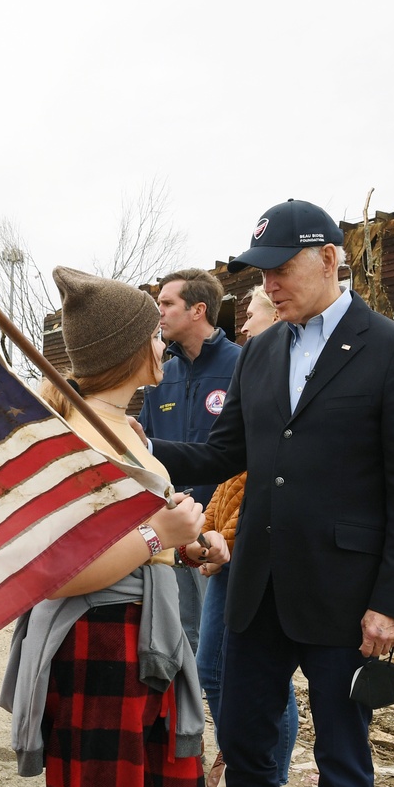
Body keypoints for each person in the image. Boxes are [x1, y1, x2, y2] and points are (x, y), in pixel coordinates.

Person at [149, 200, 394, 787]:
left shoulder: (392, 352)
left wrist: (393, 599)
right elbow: (222, 451)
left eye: (282, 267)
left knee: (344, 763)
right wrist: (132, 443)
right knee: (244, 740)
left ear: (331, 260)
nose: (270, 282)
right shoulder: (262, 352)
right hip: (258, 588)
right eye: (262, 270)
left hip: (347, 600)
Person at [1, 267, 228, 787]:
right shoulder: (66, 436)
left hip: (152, 640)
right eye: (149, 331)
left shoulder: (129, 427)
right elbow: (57, 572)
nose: (162, 339)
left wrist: (191, 545)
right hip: (97, 645)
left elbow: (141, 533)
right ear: (129, 350)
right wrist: (162, 536)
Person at [196, 287, 297, 787]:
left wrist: (223, 536)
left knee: (267, 677)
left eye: (253, 312)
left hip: (259, 549)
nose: (245, 325)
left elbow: (272, 480)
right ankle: (240, 777)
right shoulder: (256, 368)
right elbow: (232, 469)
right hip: (228, 542)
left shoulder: (280, 374)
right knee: (213, 667)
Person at [137, 268, 241, 657]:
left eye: (167, 303)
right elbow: (144, 449)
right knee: (178, 634)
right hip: (171, 521)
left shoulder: (242, 366)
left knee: (223, 642)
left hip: (221, 533)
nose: (159, 312)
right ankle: (190, 715)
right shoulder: (162, 374)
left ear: (198, 310)